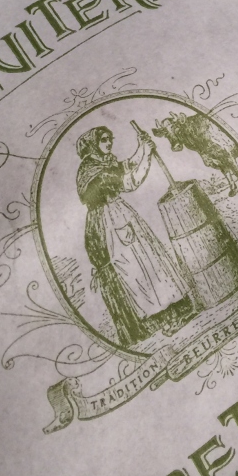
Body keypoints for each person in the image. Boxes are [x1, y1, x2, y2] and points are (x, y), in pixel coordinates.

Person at [75, 125, 195, 346]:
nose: (109, 143)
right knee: (138, 269)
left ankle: (175, 311)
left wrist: (141, 147)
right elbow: (129, 181)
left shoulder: (101, 162)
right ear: (93, 145)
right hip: (110, 223)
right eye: (103, 140)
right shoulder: (92, 171)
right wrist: (146, 154)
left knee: (149, 260)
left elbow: (126, 165)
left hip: (118, 215)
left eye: (110, 138)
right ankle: (165, 319)